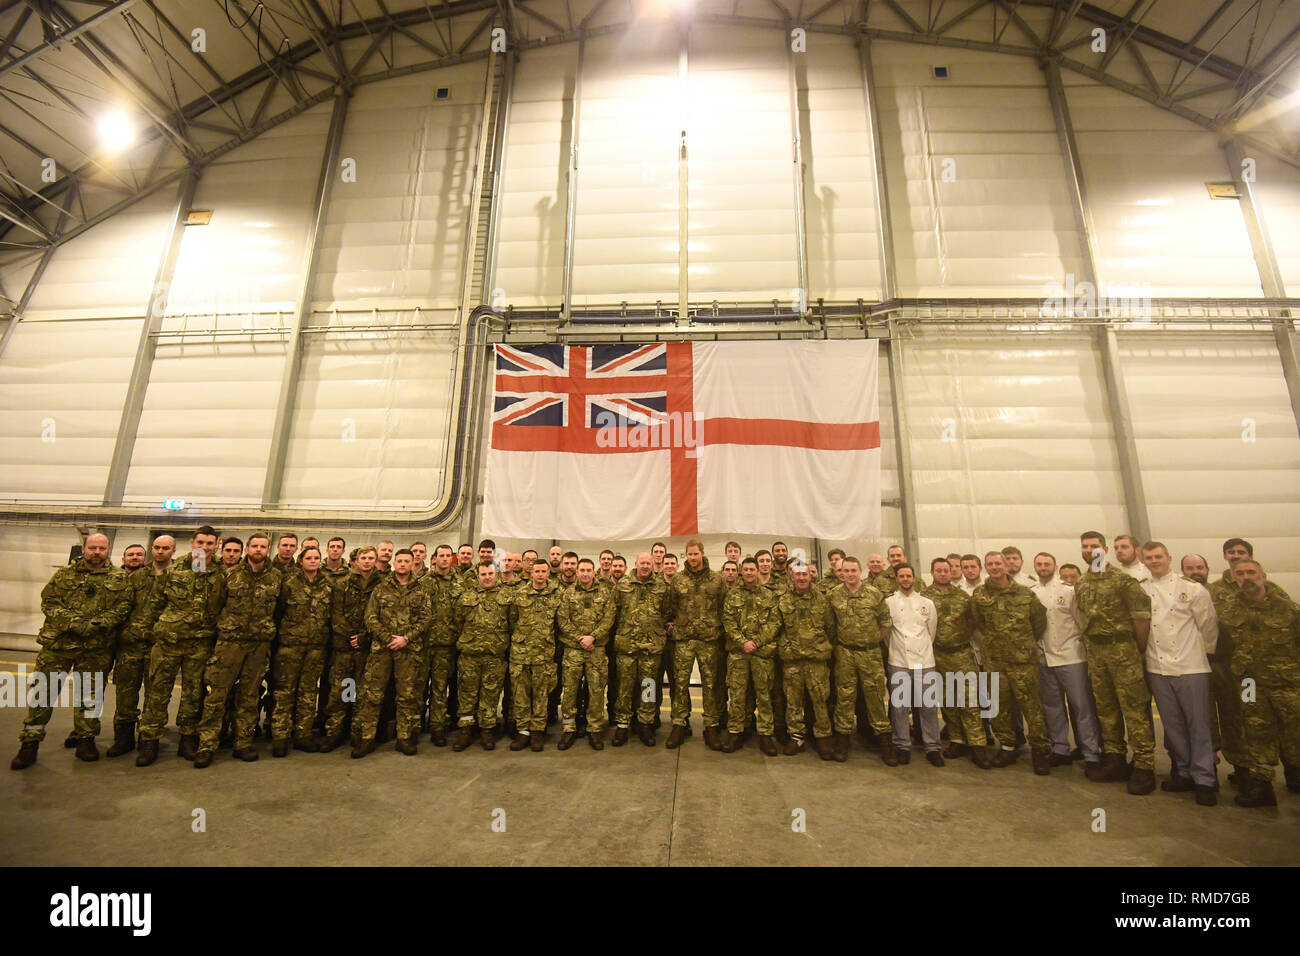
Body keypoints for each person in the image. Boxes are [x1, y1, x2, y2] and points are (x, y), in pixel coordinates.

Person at [11, 533, 132, 770]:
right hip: (59, 645)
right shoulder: (64, 574)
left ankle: (85, 741)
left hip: (95, 648)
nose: (97, 552)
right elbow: (49, 601)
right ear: (84, 549)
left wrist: (95, 625)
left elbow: (123, 607)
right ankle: (30, 744)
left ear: (108, 550)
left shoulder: (119, 578)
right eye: (92, 548)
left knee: (89, 696)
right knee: (42, 695)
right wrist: (73, 622)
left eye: (102, 548)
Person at [191, 533, 285, 767]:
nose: (259, 549)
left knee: (249, 695)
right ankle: (207, 744)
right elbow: (214, 607)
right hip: (230, 644)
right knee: (217, 694)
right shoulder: (229, 575)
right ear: (247, 549)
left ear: (268, 549)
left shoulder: (276, 577)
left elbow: (278, 609)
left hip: (258, 644)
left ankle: (242, 742)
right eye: (254, 545)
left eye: (263, 546)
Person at [134, 528, 222, 766]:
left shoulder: (221, 574)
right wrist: (152, 634)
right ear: (192, 543)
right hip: (168, 642)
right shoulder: (173, 571)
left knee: (193, 695)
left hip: (199, 644)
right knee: (157, 693)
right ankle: (150, 740)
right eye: (200, 542)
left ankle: (187, 739)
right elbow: (154, 604)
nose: (204, 547)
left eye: (210, 543)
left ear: (216, 545)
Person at [1074, 531, 1155, 793]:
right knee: (1106, 709)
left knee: (1134, 710)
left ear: (1105, 549)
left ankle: (1144, 765)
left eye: (1094, 546)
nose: (1090, 550)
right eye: (1085, 547)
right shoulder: (1082, 582)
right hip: (1096, 654)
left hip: (1123, 651)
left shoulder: (1123, 580)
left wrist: (1137, 649)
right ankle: (1115, 758)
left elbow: (1141, 618)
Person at [1140, 542, 1218, 806]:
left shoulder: (1192, 589)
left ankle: (1205, 778)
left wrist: (1201, 654)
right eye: (1149, 558)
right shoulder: (1141, 589)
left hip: (1191, 666)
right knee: (1172, 726)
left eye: (1158, 556)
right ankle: (1184, 771)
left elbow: (1208, 626)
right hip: (1157, 666)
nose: (1154, 561)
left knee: (1198, 725)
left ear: (1168, 558)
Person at [1216, 560, 1300, 807]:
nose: (1246, 577)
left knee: (1295, 731)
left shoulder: (1288, 610)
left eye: (1251, 572)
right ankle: (1262, 785)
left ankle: (1295, 773)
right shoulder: (1229, 612)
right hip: (1250, 684)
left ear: (1263, 575)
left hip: (1287, 683)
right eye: (1240, 574)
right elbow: (1224, 646)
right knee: (1255, 732)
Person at [971, 552, 1052, 774]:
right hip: (995, 662)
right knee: (1001, 708)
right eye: (990, 564)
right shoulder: (980, 595)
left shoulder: (1026, 594)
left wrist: (1021, 644)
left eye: (998, 563)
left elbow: (1038, 622)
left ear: (1006, 566)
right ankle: (1007, 746)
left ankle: (1040, 749)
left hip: (1023, 662)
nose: (995, 567)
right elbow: (979, 623)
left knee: (1032, 708)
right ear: (986, 567)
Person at [352, 550, 432, 757]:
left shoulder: (420, 590)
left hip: (408, 650)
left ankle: (403, 737)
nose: (403, 564)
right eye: (400, 561)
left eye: (407, 561)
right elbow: (370, 618)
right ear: (394, 563)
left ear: (413, 563)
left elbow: (425, 620)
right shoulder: (381, 588)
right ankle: (367, 738)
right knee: (372, 694)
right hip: (382, 650)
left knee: (406, 696)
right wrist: (388, 638)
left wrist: (406, 638)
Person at [1030, 552, 1103, 773]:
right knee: (1052, 707)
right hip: (1044, 658)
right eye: (1039, 564)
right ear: (1034, 567)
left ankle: (1091, 752)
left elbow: (1082, 623)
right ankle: (1060, 748)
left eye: (1047, 564)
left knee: (1082, 707)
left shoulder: (1069, 592)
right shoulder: (1031, 593)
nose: (1043, 567)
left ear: (1055, 566)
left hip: (1072, 657)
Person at [105, 534, 175, 758]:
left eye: (165, 548)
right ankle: (123, 738)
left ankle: (149, 741)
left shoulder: (180, 577)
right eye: (156, 547)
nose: (160, 551)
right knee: (126, 693)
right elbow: (121, 607)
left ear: (173, 551)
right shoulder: (136, 577)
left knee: (156, 696)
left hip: (161, 647)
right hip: (132, 645)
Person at [922, 557, 992, 768]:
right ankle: (957, 740)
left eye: (947, 570)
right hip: (937, 655)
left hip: (962, 654)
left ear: (953, 572)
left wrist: (958, 638)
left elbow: (974, 622)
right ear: (932, 573)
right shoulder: (925, 597)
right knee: (948, 701)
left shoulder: (963, 597)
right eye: (939, 571)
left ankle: (977, 744)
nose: (943, 574)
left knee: (969, 700)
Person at [267, 546, 332, 759]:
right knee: (285, 692)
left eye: (316, 558)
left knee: (308, 693)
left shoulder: (328, 585)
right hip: (290, 647)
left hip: (315, 648)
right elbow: (277, 614)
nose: (313, 561)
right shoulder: (289, 584)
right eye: (309, 558)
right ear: (301, 560)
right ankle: (280, 736)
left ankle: (303, 734)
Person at [829, 557, 895, 764]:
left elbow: (885, 622)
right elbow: (830, 625)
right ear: (841, 572)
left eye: (853, 570)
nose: (849, 574)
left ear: (860, 571)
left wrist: (875, 639)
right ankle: (842, 739)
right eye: (846, 571)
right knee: (845, 697)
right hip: (845, 654)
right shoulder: (834, 595)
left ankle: (885, 741)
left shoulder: (874, 594)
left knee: (875, 697)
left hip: (870, 654)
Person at [612, 553, 677, 746]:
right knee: (624, 688)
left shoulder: (661, 587)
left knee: (648, 688)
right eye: (643, 563)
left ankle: (646, 724)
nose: (646, 566)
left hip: (651, 648)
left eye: (649, 563)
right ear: (636, 564)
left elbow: (667, 612)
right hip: (627, 647)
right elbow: (613, 611)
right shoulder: (623, 585)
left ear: (652, 565)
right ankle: (622, 725)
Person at [667, 540, 726, 750]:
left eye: (695, 554)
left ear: (702, 553)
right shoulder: (678, 580)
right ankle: (679, 724)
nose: (692, 558)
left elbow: (723, 606)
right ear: (686, 556)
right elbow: (671, 605)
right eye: (689, 554)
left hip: (709, 639)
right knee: (680, 683)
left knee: (710, 685)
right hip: (684, 639)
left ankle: (711, 725)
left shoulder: (717, 580)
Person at [451, 563, 514, 751]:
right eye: (483, 574)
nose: (487, 577)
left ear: (497, 575)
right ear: (477, 576)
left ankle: (487, 730)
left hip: (494, 656)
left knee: (491, 694)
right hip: (469, 655)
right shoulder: (466, 597)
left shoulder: (507, 597)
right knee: (466, 695)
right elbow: (457, 622)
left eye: (490, 574)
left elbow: (513, 624)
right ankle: (465, 730)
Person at [323, 546, 379, 750]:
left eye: (370, 558)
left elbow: (382, 615)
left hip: (368, 646)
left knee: (364, 691)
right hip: (344, 646)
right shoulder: (343, 583)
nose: (366, 561)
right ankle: (335, 731)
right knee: (343, 689)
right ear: (355, 560)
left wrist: (364, 637)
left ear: (375, 560)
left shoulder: (381, 584)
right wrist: (349, 636)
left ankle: (357, 732)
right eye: (363, 557)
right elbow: (335, 613)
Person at [776, 563, 836, 759]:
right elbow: (779, 627)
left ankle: (823, 737)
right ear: (791, 576)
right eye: (798, 574)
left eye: (805, 574)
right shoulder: (784, 600)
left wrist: (821, 647)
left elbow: (830, 628)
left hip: (816, 660)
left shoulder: (822, 600)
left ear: (811, 576)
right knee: (793, 701)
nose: (801, 578)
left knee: (820, 700)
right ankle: (796, 737)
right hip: (792, 660)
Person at [721, 557, 780, 755]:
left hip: (761, 654)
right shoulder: (733, 595)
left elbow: (774, 623)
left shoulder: (769, 595)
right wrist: (742, 642)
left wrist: (756, 642)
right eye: (745, 569)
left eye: (752, 569)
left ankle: (765, 734)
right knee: (737, 694)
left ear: (757, 571)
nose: (748, 572)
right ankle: (736, 731)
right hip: (738, 653)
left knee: (764, 694)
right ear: (741, 571)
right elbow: (728, 621)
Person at [557, 558, 617, 750]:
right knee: (570, 691)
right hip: (573, 650)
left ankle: (594, 729)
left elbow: (609, 619)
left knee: (596, 691)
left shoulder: (605, 593)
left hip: (596, 651)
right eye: (581, 570)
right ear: (577, 572)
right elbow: (562, 620)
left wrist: (593, 637)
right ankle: (569, 728)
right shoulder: (568, 593)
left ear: (594, 572)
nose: (584, 573)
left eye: (588, 570)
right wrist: (580, 639)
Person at [509, 559, 561, 751]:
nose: (539, 574)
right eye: (536, 571)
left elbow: (560, 623)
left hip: (544, 654)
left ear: (548, 573)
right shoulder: (520, 594)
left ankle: (538, 730)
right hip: (521, 653)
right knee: (520, 694)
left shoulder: (557, 594)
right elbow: (512, 620)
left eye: (543, 571)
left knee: (541, 694)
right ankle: (523, 731)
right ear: (531, 573)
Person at [420, 544, 462, 747]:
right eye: (441, 556)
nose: (444, 559)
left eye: (448, 556)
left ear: (452, 559)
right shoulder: (422, 583)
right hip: (424, 644)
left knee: (439, 688)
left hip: (446, 646)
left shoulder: (459, 584)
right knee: (417, 688)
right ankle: (414, 725)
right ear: (434, 558)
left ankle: (437, 726)